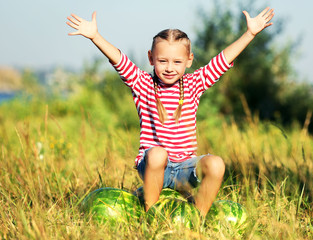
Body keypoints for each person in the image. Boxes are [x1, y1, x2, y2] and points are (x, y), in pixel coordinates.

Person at [66, 7, 274, 216]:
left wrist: (250, 34)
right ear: (151, 58)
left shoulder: (194, 84)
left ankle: (197, 219)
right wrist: (95, 36)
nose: (169, 68)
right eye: (162, 60)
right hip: (155, 167)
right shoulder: (143, 83)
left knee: (216, 164)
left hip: (186, 168)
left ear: (189, 60)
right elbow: (120, 61)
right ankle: (151, 216)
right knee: (158, 153)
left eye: (177, 62)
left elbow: (222, 61)